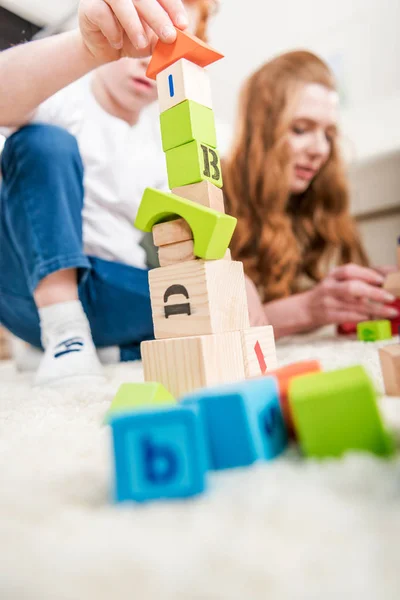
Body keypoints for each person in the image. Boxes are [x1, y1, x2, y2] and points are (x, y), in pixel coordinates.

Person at [0, 0, 219, 386]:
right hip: (28, 286)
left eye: (167, 48)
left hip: (107, 290)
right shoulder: (67, 96)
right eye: (141, 37)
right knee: (44, 143)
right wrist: (88, 48)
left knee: (205, 304)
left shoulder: (160, 142)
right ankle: (64, 329)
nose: (145, 60)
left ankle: (90, 349)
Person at [223, 50, 399, 338]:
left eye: (329, 134)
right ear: (261, 132)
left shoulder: (313, 200)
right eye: (301, 129)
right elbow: (218, 327)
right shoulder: (213, 192)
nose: (320, 149)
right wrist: (309, 308)